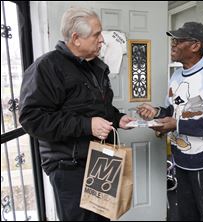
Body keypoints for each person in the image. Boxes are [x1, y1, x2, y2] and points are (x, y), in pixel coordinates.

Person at [19, 7, 135, 221]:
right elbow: (32, 119)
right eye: (96, 34)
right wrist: (87, 125)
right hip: (71, 167)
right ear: (76, 38)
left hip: (101, 160)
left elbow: (99, 107)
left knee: (103, 218)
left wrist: (118, 119)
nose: (102, 40)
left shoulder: (94, 66)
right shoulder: (46, 67)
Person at [137, 22, 203, 221]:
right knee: (186, 215)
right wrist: (156, 112)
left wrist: (177, 125)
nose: (172, 44)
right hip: (181, 162)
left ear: (195, 46)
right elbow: (174, 111)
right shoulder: (176, 75)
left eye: (178, 40)